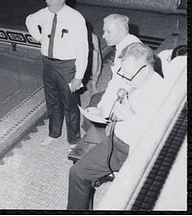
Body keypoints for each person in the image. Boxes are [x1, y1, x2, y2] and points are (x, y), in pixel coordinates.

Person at [67, 42, 166, 210]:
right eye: (123, 73)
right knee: (77, 173)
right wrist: (103, 110)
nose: (125, 78)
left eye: (128, 75)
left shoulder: (159, 92)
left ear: (146, 69)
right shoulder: (136, 80)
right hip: (115, 141)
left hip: (133, 152)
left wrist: (131, 118)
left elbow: (156, 138)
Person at [25, 0, 89, 148]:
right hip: (48, 63)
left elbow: (83, 49)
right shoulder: (45, 14)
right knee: (52, 101)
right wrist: (40, 38)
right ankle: (54, 133)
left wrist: (79, 76)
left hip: (67, 66)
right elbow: (29, 20)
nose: (47, 1)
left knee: (70, 104)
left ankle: (74, 139)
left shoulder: (75, 18)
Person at [82, 14, 141, 136]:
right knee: (96, 99)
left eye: (109, 32)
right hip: (124, 92)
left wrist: (103, 110)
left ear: (122, 31)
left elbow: (120, 88)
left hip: (130, 99)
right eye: (104, 31)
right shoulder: (127, 42)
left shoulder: (130, 52)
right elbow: (116, 82)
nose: (103, 36)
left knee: (94, 104)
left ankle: (98, 140)